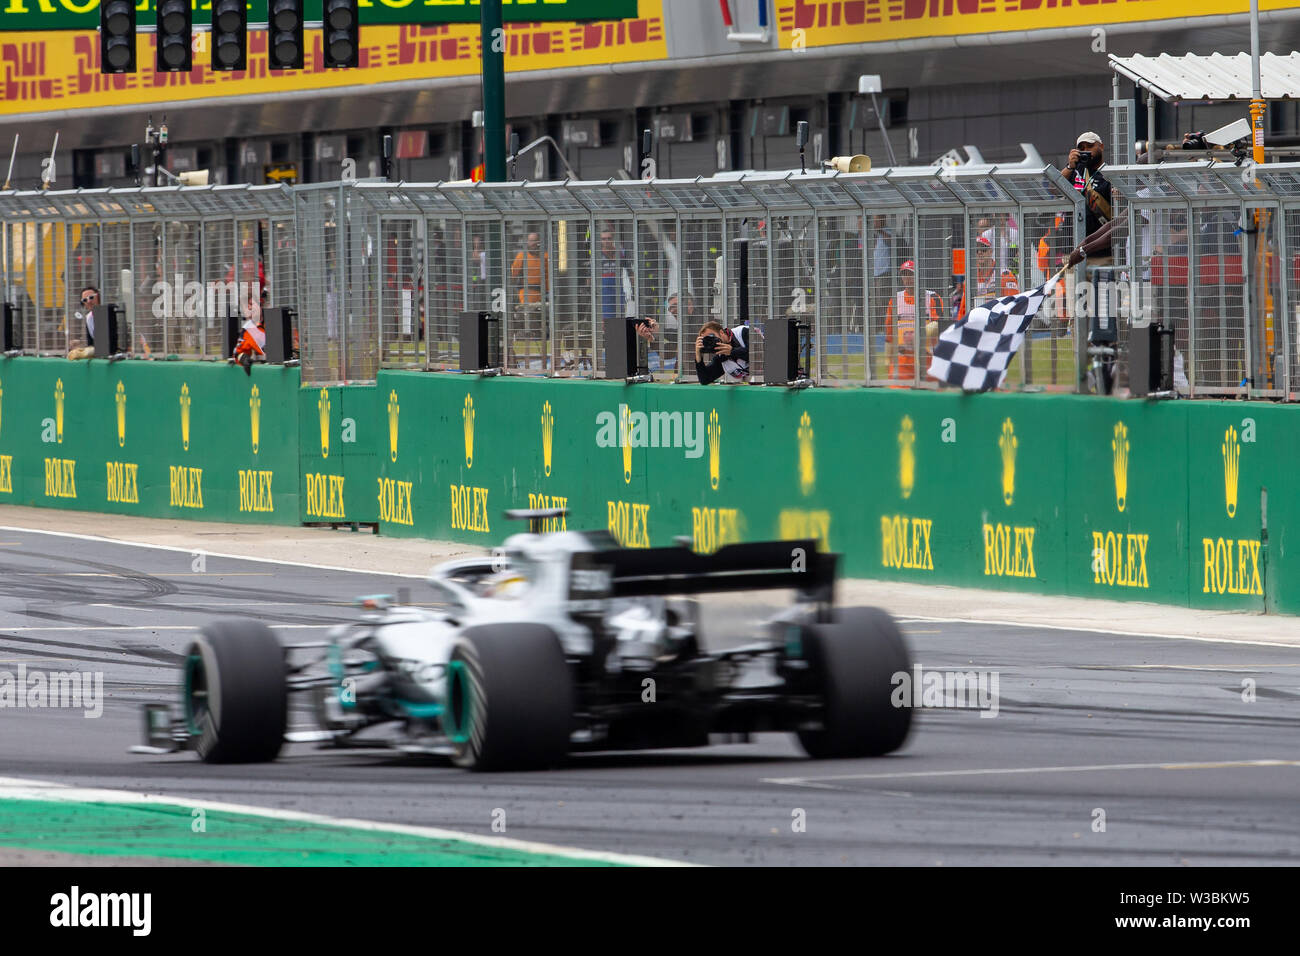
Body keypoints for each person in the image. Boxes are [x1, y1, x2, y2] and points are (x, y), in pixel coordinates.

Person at [884, 260, 941, 382]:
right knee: (898, 394)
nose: (907, 278)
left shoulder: (932, 297)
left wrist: (919, 335)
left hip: (927, 358)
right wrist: (887, 359)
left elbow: (939, 325)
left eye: (911, 274)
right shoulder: (895, 300)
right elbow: (889, 333)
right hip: (902, 359)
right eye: (904, 274)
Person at [1063, 131, 1113, 260]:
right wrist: (1070, 166)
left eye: (1090, 146)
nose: (1086, 151)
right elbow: (1055, 187)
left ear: (1101, 146)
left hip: (1101, 251)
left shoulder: (1109, 174)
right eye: (1081, 148)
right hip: (1073, 248)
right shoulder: (1074, 171)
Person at [510, 232, 547, 306]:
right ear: (527, 242)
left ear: (539, 242)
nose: (533, 243)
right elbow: (512, 276)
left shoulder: (546, 256)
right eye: (530, 240)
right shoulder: (521, 257)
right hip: (526, 294)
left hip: (544, 295)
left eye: (535, 240)